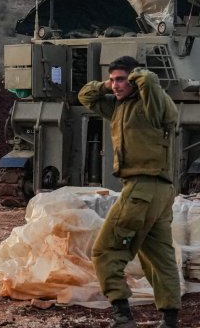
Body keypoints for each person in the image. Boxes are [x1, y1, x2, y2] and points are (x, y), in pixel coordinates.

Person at [78, 56, 181, 328]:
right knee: (158, 255)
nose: (116, 85)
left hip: (142, 188)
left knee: (105, 251)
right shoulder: (118, 107)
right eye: (112, 79)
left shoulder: (153, 105)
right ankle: (170, 320)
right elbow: (84, 96)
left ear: (135, 79)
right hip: (157, 192)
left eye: (121, 79)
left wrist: (137, 77)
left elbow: (148, 81)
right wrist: (107, 85)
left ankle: (122, 317)